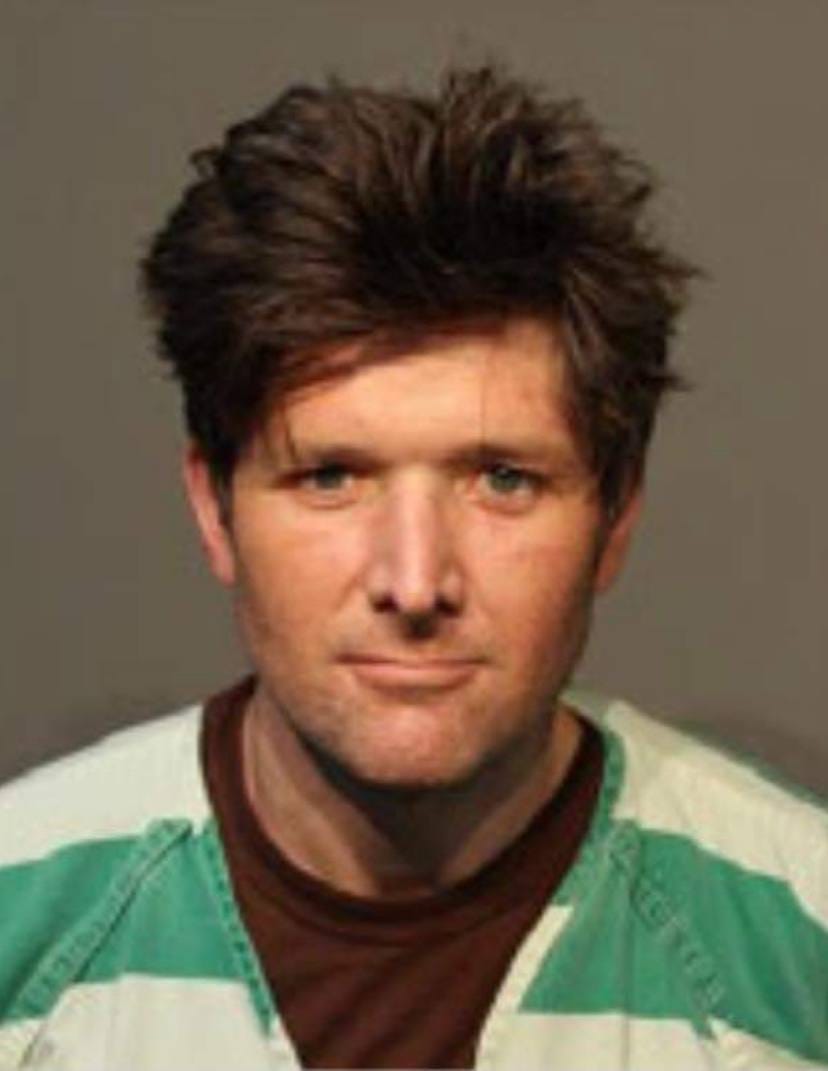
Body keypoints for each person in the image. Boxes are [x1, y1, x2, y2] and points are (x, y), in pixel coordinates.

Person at [0, 65, 825, 1071]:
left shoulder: (803, 943)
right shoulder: (18, 919)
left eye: (504, 480)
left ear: (616, 514)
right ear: (215, 509)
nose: (416, 580)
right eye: (331, 477)